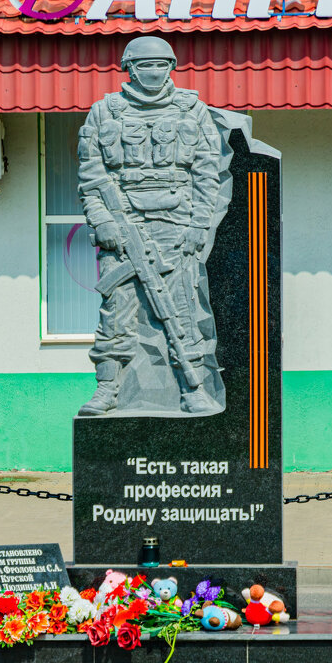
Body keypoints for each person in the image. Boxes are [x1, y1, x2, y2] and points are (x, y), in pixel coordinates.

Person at [76, 36, 225, 416]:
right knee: (116, 307)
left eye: (161, 65)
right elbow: (91, 176)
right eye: (145, 66)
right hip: (123, 225)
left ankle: (192, 388)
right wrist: (104, 220)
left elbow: (208, 173)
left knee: (181, 307)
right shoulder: (104, 112)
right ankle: (108, 389)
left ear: (172, 67)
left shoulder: (193, 111)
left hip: (175, 225)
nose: (154, 73)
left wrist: (198, 226)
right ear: (129, 68)